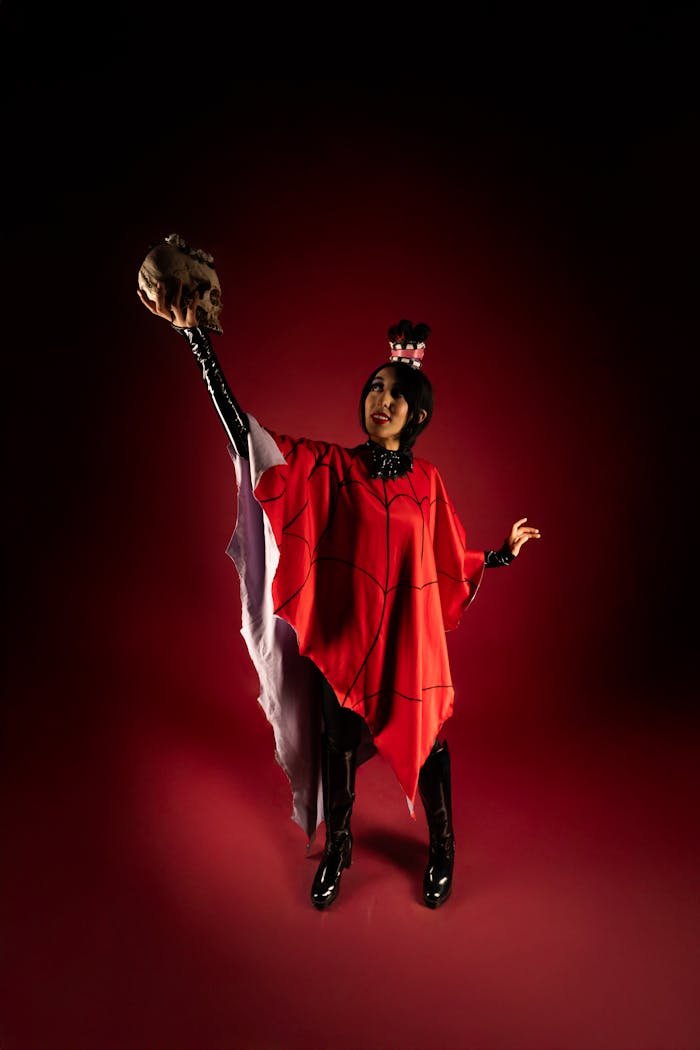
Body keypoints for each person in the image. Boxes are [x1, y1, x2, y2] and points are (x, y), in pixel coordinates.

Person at [138, 281, 541, 910]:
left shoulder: (428, 482)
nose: (381, 400)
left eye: (396, 394)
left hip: (410, 644)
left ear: (418, 414)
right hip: (347, 639)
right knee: (337, 741)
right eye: (375, 388)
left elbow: (445, 559)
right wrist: (198, 342)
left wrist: (498, 555)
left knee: (429, 738)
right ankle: (340, 846)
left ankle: (443, 846)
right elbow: (253, 441)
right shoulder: (330, 467)